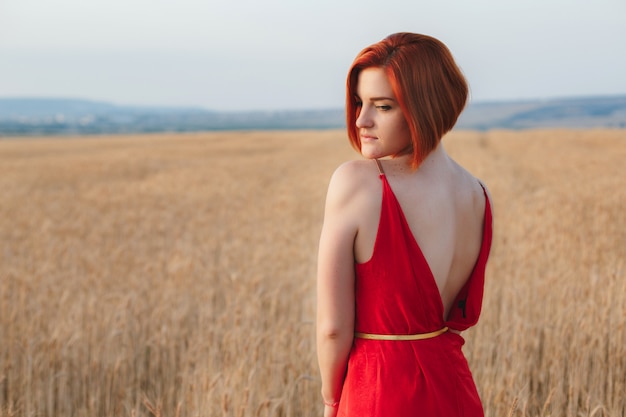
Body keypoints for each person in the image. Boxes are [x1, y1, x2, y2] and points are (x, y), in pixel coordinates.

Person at [316, 32, 493, 417]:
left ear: (425, 107)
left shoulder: (357, 182)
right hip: (455, 390)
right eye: (359, 102)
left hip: (379, 390)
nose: (361, 119)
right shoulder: (478, 193)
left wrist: (331, 402)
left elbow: (332, 327)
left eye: (382, 106)